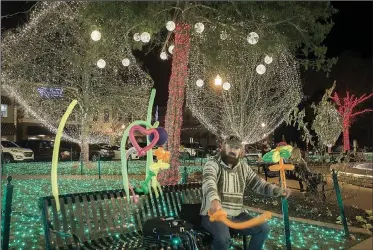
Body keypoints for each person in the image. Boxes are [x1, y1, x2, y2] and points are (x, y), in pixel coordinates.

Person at [200, 135, 291, 250]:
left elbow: (259, 184)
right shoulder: (212, 164)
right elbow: (209, 182)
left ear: (241, 151)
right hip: (214, 215)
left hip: (238, 216)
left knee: (263, 228)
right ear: (223, 147)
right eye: (230, 146)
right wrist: (214, 200)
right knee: (223, 240)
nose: (233, 150)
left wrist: (277, 190)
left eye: (237, 148)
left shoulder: (243, 167)